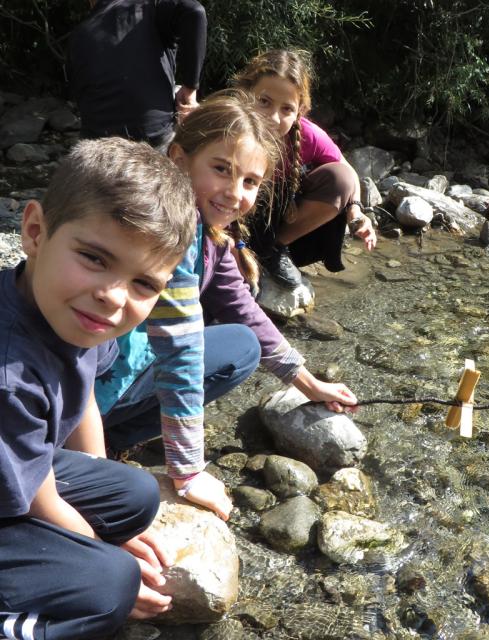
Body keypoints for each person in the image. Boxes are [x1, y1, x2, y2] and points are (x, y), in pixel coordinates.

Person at [96, 91, 360, 522]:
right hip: (93, 380)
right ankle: (98, 442)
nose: (234, 193)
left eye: (251, 182)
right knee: (234, 345)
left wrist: (307, 383)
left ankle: (106, 439)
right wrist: (188, 472)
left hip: (108, 369)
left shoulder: (209, 232)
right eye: (221, 170)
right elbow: (181, 350)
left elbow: (242, 306)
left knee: (242, 339)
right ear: (180, 158)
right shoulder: (172, 230)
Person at [0, 137, 196, 640]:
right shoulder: (9, 375)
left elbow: (82, 393)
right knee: (109, 586)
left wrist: (107, 509)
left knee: (132, 494)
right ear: (36, 231)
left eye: (144, 285)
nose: (113, 298)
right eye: (94, 258)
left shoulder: (68, 310)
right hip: (14, 479)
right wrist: (98, 549)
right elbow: (38, 496)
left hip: (21, 466)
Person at [232, 49, 377, 290]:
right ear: (246, 95)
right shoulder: (226, 126)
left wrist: (356, 214)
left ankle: (273, 251)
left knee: (338, 179)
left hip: (274, 228)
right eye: (264, 102)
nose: (274, 118)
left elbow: (348, 173)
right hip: (229, 221)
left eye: (286, 109)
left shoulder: (306, 135)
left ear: (300, 111)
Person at [67, 0, 207, 150]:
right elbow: (195, 11)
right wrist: (190, 88)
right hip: (151, 139)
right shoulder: (149, 8)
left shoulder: (79, 36)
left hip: (97, 147)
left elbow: (77, 92)